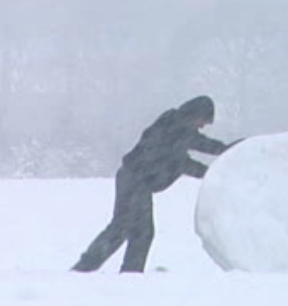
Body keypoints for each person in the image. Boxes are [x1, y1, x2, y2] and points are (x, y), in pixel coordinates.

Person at [71, 95, 241, 273]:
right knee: (137, 231)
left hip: (132, 179)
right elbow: (192, 155)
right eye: (203, 121)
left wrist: (224, 155)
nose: (202, 126)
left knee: (125, 229)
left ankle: (102, 269)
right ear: (195, 113)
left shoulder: (175, 126)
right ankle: (120, 272)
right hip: (136, 181)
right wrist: (222, 160)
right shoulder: (176, 126)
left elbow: (190, 155)